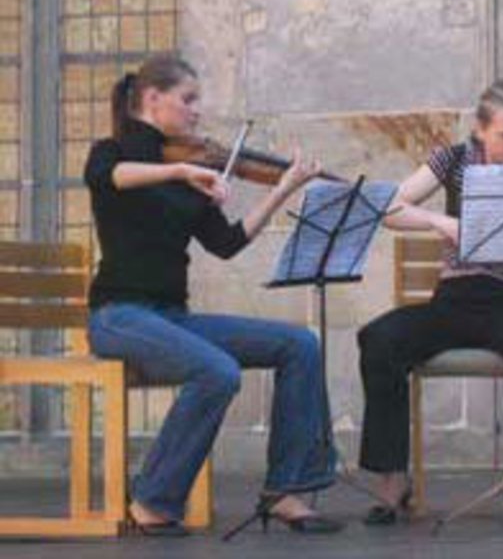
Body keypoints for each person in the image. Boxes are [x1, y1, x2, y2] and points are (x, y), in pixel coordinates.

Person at [84, 55, 342, 536]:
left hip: (170, 318)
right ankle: (152, 501)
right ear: (152, 99)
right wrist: (181, 172)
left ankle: (286, 490)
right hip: (117, 316)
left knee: (299, 344)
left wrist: (283, 188)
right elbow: (111, 179)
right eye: (188, 100)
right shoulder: (112, 153)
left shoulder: (190, 170)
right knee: (216, 370)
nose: (196, 111)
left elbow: (226, 244)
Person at [357, 79, 503, 524]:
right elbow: (389, 209)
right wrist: (445, 224)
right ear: (480, 129)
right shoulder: (453, 160)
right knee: (379, 339)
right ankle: (393, 479)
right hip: (454, 300)